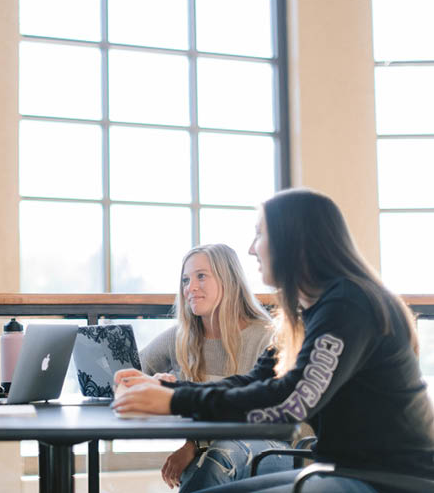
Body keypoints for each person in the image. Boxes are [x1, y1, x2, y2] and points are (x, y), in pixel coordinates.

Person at [113, 188, 434, 493]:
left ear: (293, 241)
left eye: (260, 234)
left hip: (391, 482)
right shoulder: (310, 313)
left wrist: (173, 402)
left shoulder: (348, 304)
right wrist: (169, 390)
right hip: (342, 471)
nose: (252, 248)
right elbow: (255, 381)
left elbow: (289, 401)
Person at [140, 244, 292, 491]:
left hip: (273, 447)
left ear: (229, 279)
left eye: (201, 276)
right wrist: (156, 382)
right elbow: (132, 372)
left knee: (218, 455)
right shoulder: (181, 337)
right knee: (212, 457)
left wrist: (195, 445)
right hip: (217, 449)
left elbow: (261, 412)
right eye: (186, 280)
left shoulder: (266, 336)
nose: (190, 288)